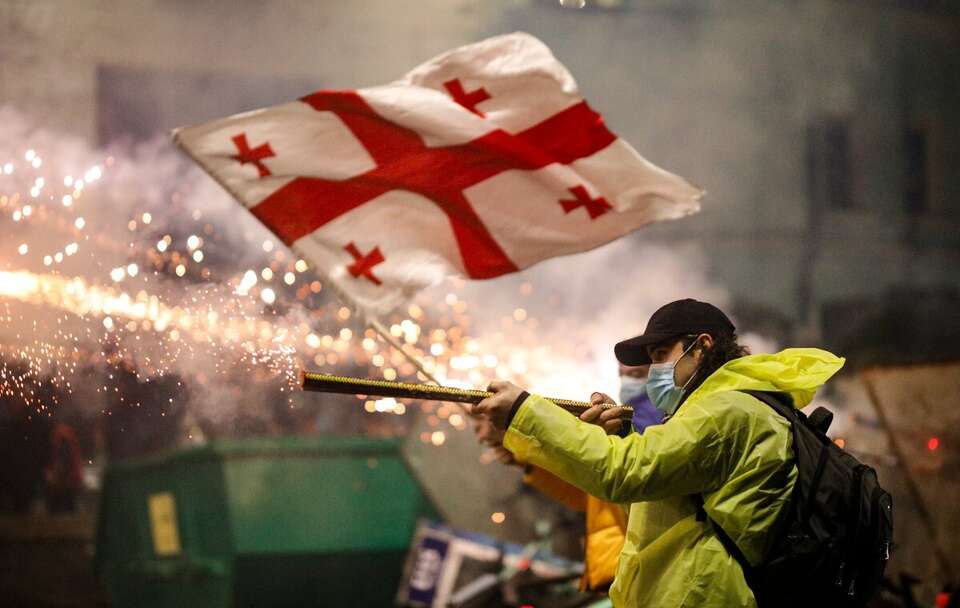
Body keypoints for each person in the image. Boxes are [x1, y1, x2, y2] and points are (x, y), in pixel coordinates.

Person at [474, 299, 845, 607]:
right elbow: (656, 505)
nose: (653, 371)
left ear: (701, 346)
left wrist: (524, 410)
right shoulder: (724, 408)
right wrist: (619, 436)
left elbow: (624, 473)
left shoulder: (729, 412)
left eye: (660, 354)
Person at [476, 364, 662, 593]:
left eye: (634, 374)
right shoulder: (629, 423)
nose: (626, 382)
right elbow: (592, 497)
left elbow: (621, 477)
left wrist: (521, 420)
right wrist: (526, 462)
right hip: (628, 572)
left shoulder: (654, 419)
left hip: (647, 570)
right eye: (622, 374)